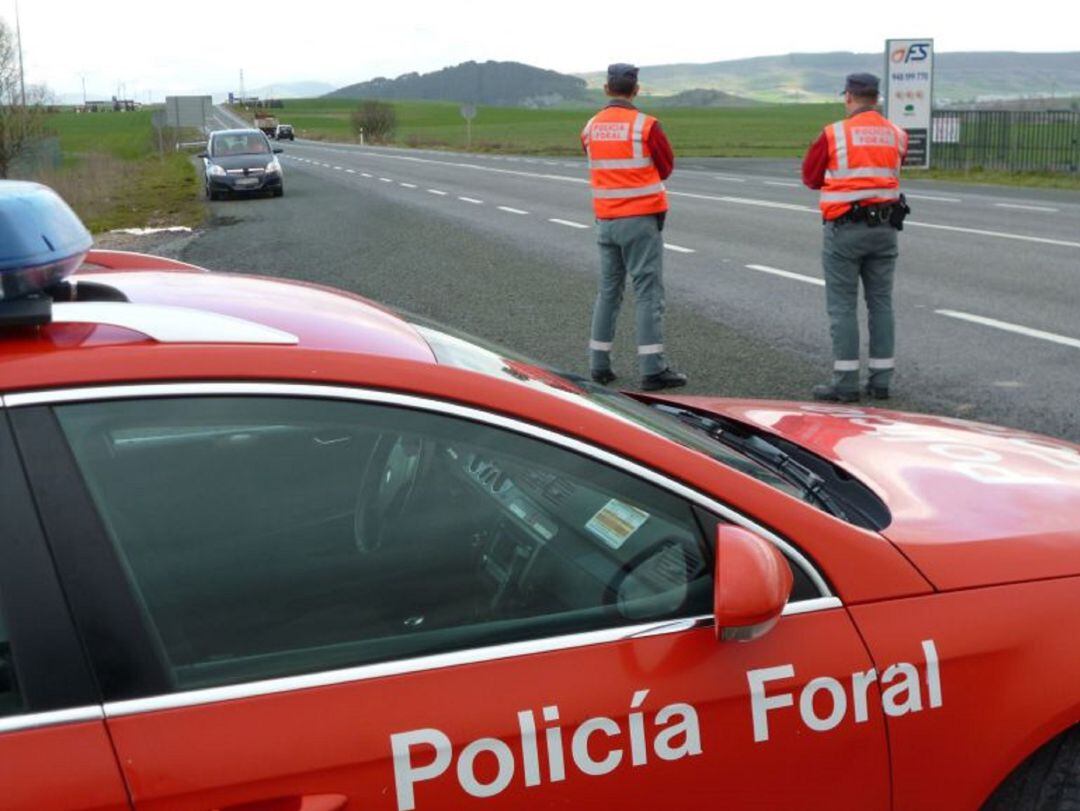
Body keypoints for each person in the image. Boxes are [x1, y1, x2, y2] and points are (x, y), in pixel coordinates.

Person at [802, 72, 909, 402]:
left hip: (845, 230)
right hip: (886, 229)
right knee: (881, 302)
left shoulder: (834, 134)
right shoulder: (897, 134)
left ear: (848, 96)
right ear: (876, 98)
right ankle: (881, 381)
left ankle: (845, 382)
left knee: (842, 306)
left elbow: (810, 177)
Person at [583, 63, 687, 392]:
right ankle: (652, 368)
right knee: (648, 293)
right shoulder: (646, 126)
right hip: (641, 219)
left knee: (609, 291)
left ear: (606, 89)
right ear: (636, 90)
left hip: (606, 220)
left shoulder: (590, 127)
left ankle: (598, 364)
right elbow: (666, 167)